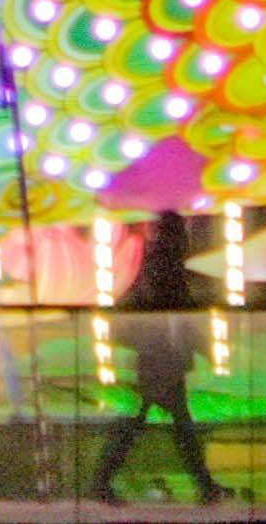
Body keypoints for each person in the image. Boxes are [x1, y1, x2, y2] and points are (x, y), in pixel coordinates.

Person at [90, 215, 223, 504]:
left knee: (163, 423)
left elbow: (178, 315)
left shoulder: (161, 269)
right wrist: (204, 348)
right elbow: (179, 314)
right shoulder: (167, 270)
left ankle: (205, 485)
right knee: (158, 424)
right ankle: (103, 482)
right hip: (162, 358)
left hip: (161, 357)